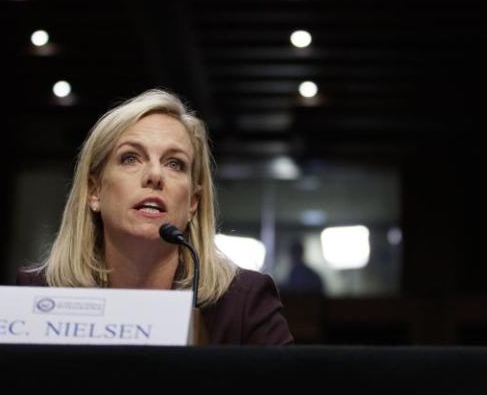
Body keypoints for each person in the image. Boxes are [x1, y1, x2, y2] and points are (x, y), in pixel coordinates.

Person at [18, 89, 293, 345]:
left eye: (175, 164)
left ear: (192, 203)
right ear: (94, 191)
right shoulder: (38, 293)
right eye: (130, 158)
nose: (155, 175)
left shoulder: (244, 304)